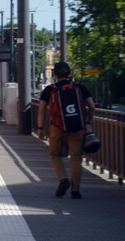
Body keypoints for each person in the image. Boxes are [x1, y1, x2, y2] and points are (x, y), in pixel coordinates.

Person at [39, 61, 95, 199]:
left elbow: (41, 111)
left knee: (55, 155)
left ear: (55, 74)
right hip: (77, 127)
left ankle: (63, 179)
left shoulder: (49, 89)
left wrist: (40, 128)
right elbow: (92, 107)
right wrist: (87, 121)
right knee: (76, 158)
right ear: (69, 73)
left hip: (56, 128)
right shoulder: (80, 87)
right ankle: (75, 191)